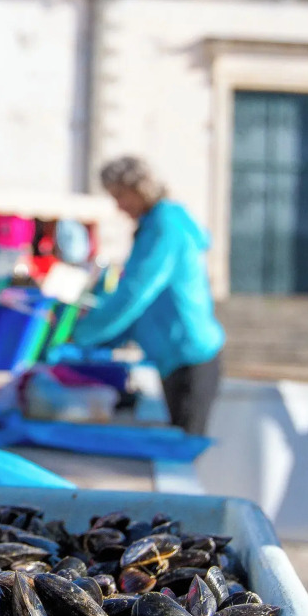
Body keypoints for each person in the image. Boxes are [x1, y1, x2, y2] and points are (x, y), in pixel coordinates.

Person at [71, 156, 225, 436]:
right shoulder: (153, 226)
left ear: (139, 188)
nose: (118, 205)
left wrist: (82, 332)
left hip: (190, 355)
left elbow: (136, 292)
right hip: (173, 356)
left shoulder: (164, 227)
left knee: (185, 444)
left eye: (120, 195)